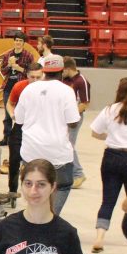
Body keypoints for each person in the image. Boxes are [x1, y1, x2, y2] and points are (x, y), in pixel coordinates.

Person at [13, 53, 80, 215]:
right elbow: (73, 122)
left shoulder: (29, 89)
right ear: (62, 71)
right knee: (62, 186)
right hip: (58, 153)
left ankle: (34, 217)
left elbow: (19, 119)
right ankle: (51, 219)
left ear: (44, 71)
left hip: (31, 152)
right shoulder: (66, 91)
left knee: (33, 188)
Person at [89, 77, 127, 253]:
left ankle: (99, 237)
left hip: (111, 156)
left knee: (108, 200)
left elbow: (95, 132)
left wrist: (110, 136)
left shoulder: (110, 110)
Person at [2, 62, 44, 197]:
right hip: (20, 127)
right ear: (27, 76)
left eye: (38, 77)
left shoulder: (46, 90)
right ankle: (12, 190)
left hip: (39, 128)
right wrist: (12, 114)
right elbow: (10, 103)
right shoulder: (19, 86)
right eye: (32, 77)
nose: (35, 80)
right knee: (14, 160)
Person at [0, 31, 34, 146]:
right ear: (14, 42)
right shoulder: (7, 55)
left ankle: (20, 138)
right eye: (16, 40)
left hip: (22, 88)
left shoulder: (28, 56)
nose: (18, 43)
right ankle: (6, 138)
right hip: (8, 86)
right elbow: (3, 71)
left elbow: (31, 73)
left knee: (22, 114)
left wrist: (19, 68)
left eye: (20, 41)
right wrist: (9, 65)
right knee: (7, 114)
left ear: (24, 43)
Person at [62, 56, 91, 189]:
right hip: (65, 117)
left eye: (63, 70)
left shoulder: (82, 81)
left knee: (69, 145)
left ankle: (78, 174)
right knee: (65, 143)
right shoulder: (66, 80)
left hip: (75, 118)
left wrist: (72, 116)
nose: (62, 73)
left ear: (68, 68)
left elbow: (85, 104)